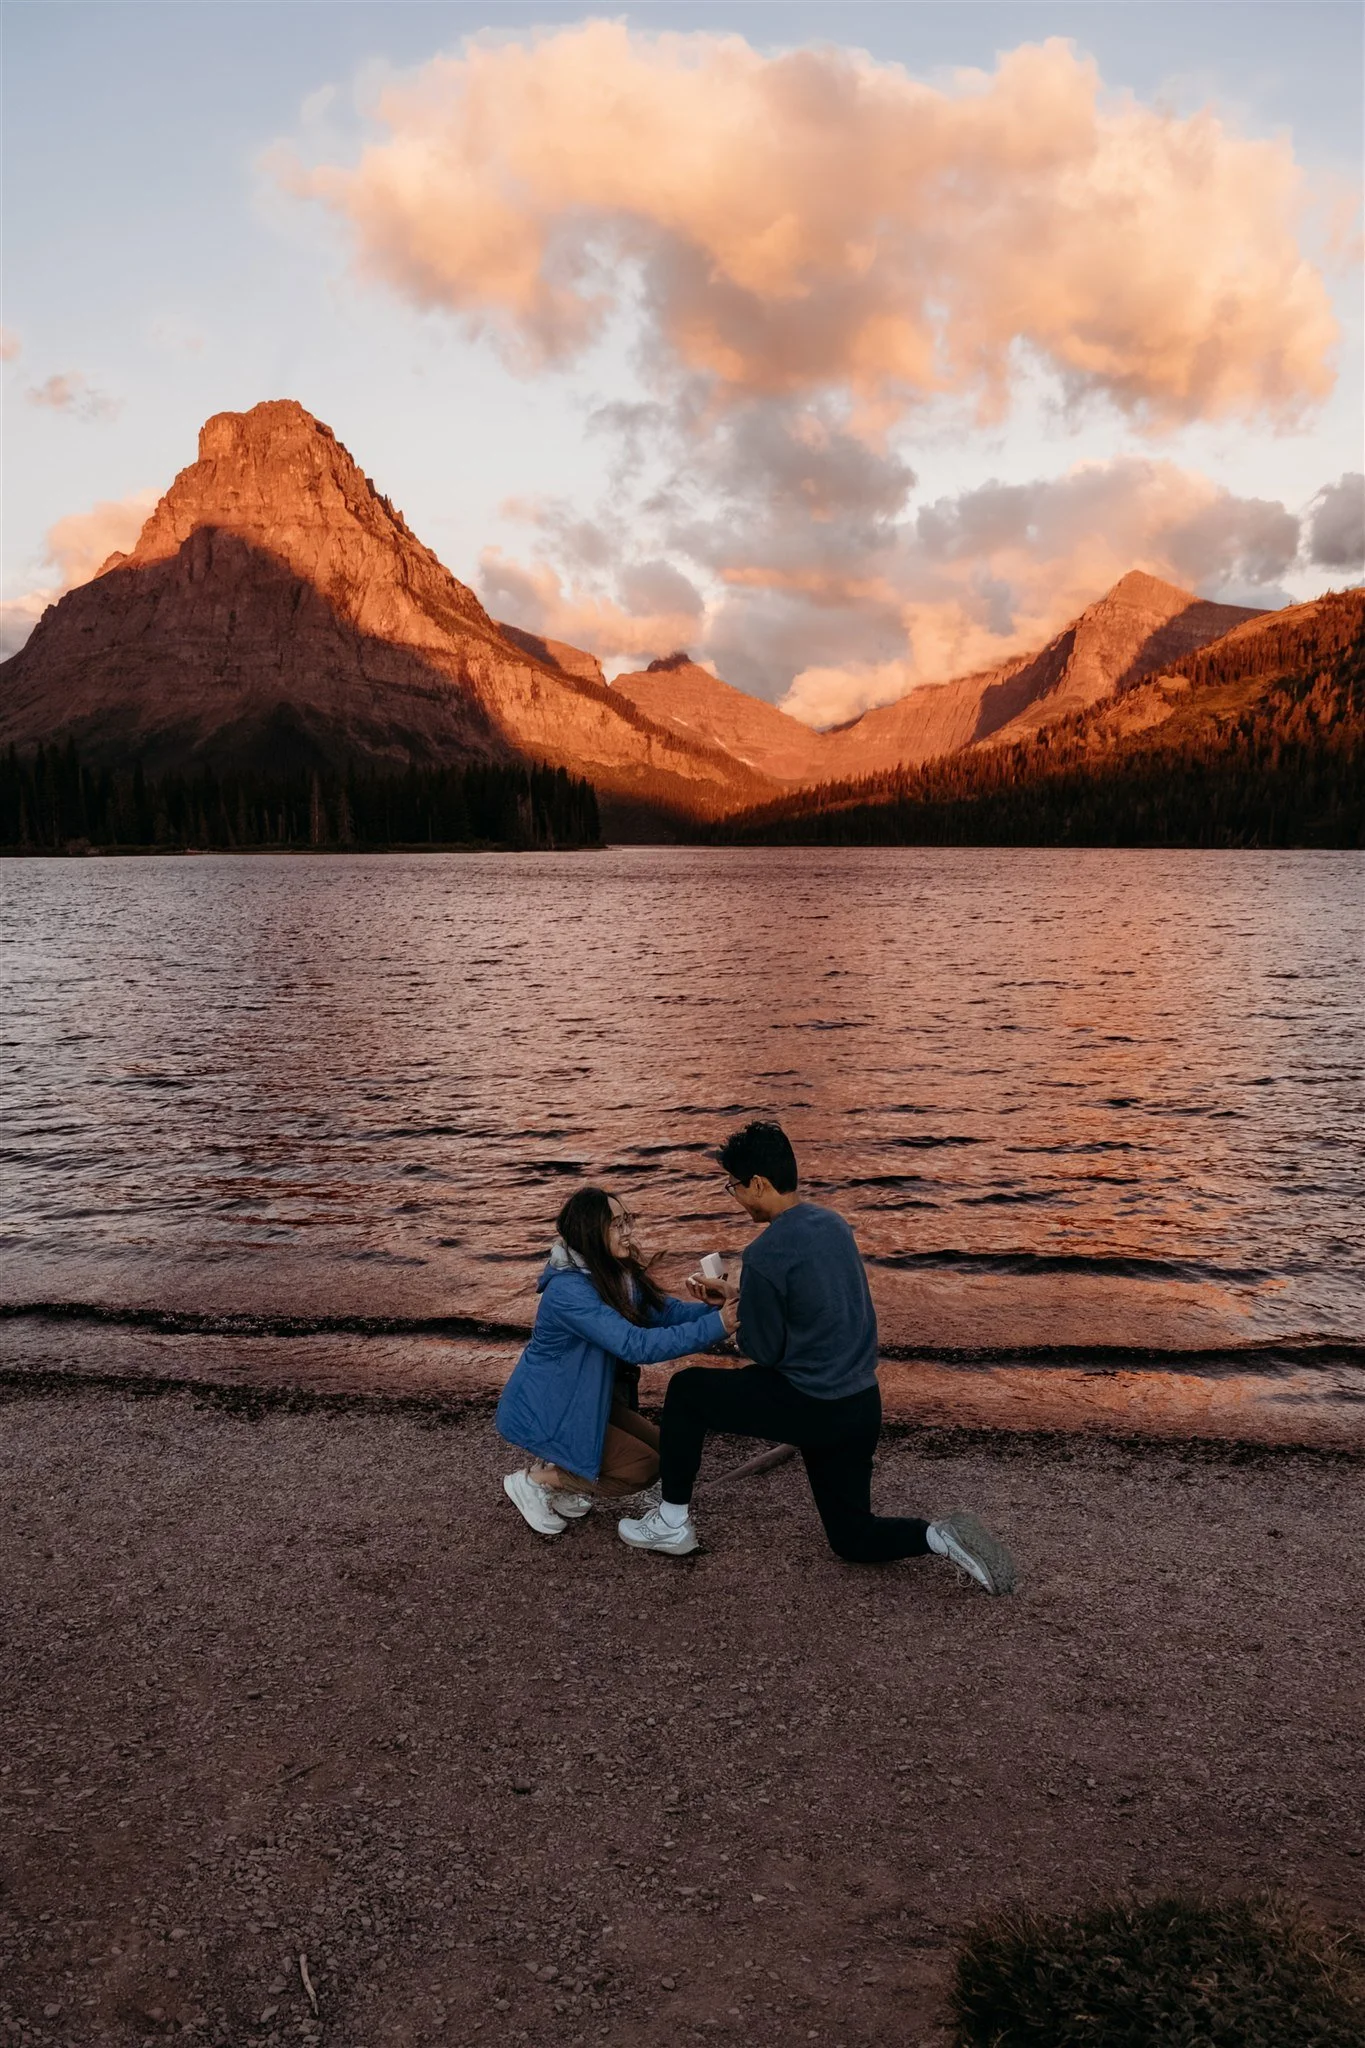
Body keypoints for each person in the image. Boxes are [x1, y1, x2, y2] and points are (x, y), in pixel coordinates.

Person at [617, 1120, 1017, 1593]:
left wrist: (733, 1313)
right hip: (861, 1403)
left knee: (687, 1391)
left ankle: (671, 1522)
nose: (735, 1196)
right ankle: (937, 1536)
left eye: (735, 1187)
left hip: (809, 1404)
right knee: (851, 1537)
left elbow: (764, 1353)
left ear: (760, 1184)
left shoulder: (763, 1253)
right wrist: (744, 1298)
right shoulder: (833, 1225)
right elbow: (819, 1307)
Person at [496, 1186, 737, 1537]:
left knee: (665, 1452)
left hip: (583, 1399)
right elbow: (635, 1345)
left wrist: (712, 1309)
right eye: (617, 1224)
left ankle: (568, 1480)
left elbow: (663, 1313)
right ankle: (536, 1481)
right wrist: (718, 1326)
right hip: (547, 1408)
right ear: (592, 1231)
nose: (628, 1231)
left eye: (628, 1221)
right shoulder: (569, 1292)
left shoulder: (611, 1273)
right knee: (641, 1468)